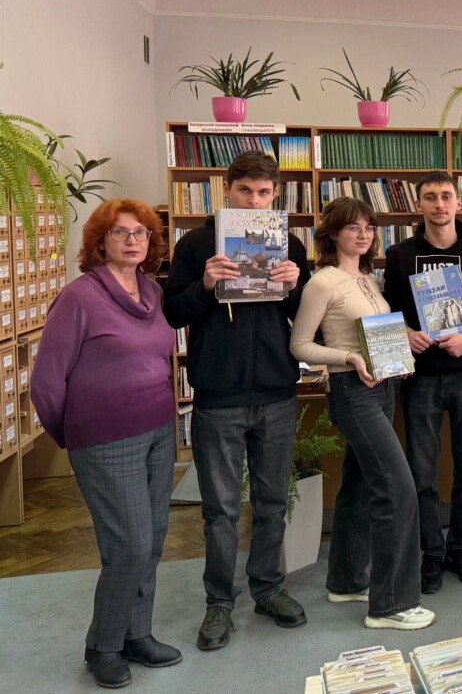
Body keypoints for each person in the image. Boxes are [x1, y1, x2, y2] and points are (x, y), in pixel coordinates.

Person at [163, 150, 310, 651]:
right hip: (218, 395)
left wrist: (296, 286)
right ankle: (219, 601)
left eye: (264, 192)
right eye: (245, 190)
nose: (253, 200)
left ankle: (267, 588)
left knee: (272, 501)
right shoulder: (195, 244)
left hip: (276, 391)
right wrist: (205, 284)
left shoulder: (289, 243)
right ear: (226, 189)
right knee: (220, 509)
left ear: (275, 195)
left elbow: (304, 317)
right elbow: (173, 313)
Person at [31, 199, 181, 688]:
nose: (133, 240)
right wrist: (76, 435)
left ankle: (137, 634)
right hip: (103, 438)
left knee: (151, 540)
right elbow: (46, 383)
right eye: (120, 232)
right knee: (129, 546)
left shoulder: (152, 291)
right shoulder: (78, 298)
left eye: (141, 232)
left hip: (158, 430)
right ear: (100, 242)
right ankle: (103, 645)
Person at [290, 197, 434, 629]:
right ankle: (391, 605)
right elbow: (300, 345)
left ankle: (346, 581)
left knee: (357, 487)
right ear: (332, 233)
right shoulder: (323, 282)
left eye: (369, 227)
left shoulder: (369, 278)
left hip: (383, 387)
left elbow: (377, 332)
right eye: (353, 227)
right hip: (353, 391)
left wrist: (399, 351)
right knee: (398, 489)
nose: (363, 234)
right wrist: (348, 358)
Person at [383, 171, 462, 595]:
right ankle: (431, 551)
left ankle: (460, 547)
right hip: (421, 379)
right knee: (422, 473)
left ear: (458, 202)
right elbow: (387, 311)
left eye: (446, 196)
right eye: (430, 197)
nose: (439, 204)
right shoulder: (399, 254)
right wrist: (405, 333)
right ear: (419, 205)